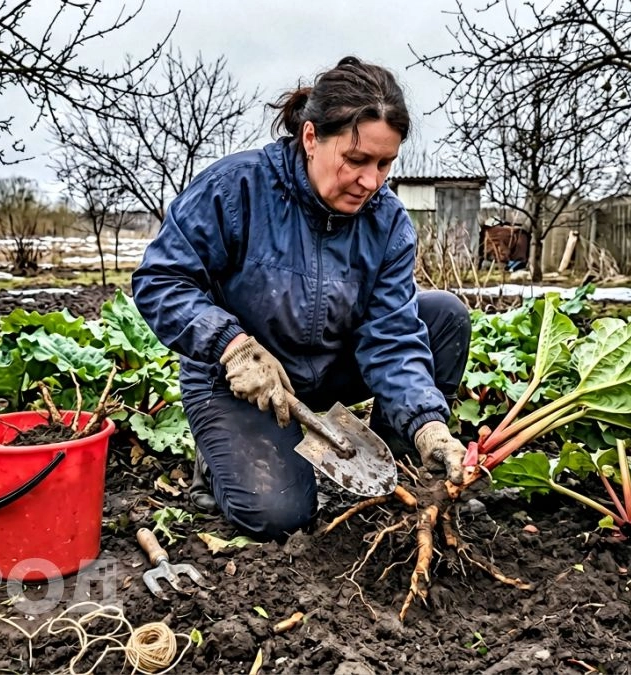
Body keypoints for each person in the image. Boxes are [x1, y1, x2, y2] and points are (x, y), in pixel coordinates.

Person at [132, 56, 471, 543]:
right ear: (311, 138)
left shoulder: (387, 222)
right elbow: (160, 281)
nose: (371, 181)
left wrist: (427, 423)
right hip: (237, 381)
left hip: (327, 371)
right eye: (356, 160)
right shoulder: (236, 189)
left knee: (443, 316)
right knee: (279, 517)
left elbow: (393, 337)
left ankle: (392, 468)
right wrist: (231, 346)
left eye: (384, 163)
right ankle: (220, 457)